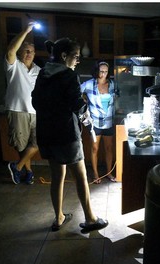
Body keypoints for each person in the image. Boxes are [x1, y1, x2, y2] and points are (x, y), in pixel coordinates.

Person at [31, 38, 109, 232]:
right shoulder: (68, 75)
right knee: (81, 176)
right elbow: (77, 104)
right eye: (75, 56)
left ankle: (58, 218)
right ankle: (91, 219)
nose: (77, 61)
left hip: (46, 134)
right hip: (66, 134)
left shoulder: (43, 74)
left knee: (57, 175)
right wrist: (87, 118)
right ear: (64, 56)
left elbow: (35, 102)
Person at [4, 21, 40, 185]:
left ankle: (17, 167)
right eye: (25, 50)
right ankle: (29, 173)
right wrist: (25, 30)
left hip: (36, 112)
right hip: (17, 110)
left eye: (31, 51)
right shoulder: (13, 66)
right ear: (19, 52)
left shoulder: (38, 70)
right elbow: (11, 50)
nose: (28, 53)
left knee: (37, 143)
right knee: (21, 146)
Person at [80, 61, 116, 184]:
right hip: (95, 122)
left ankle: (108, 172)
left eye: (106, 72)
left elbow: (121, 96)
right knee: (94, 148)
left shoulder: (112, 85)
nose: (103, 74)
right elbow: (76, 91)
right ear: (97, 71)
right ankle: (95, 174)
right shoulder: (89, 84)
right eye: (101, 71)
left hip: (109, 121)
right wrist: (83, 98)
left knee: (109, 148)